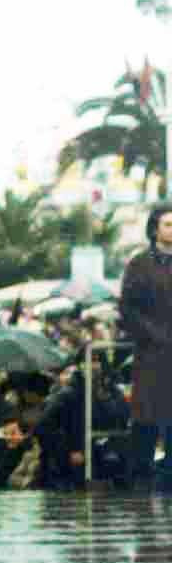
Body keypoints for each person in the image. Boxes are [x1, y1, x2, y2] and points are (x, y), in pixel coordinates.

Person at [120, 202, 172, 489]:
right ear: (154, 229)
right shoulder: (140, 264)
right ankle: (139, 478)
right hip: (151, 353)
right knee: (147, 417)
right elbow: (128, 308)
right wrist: (152, 334)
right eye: (168, 224)